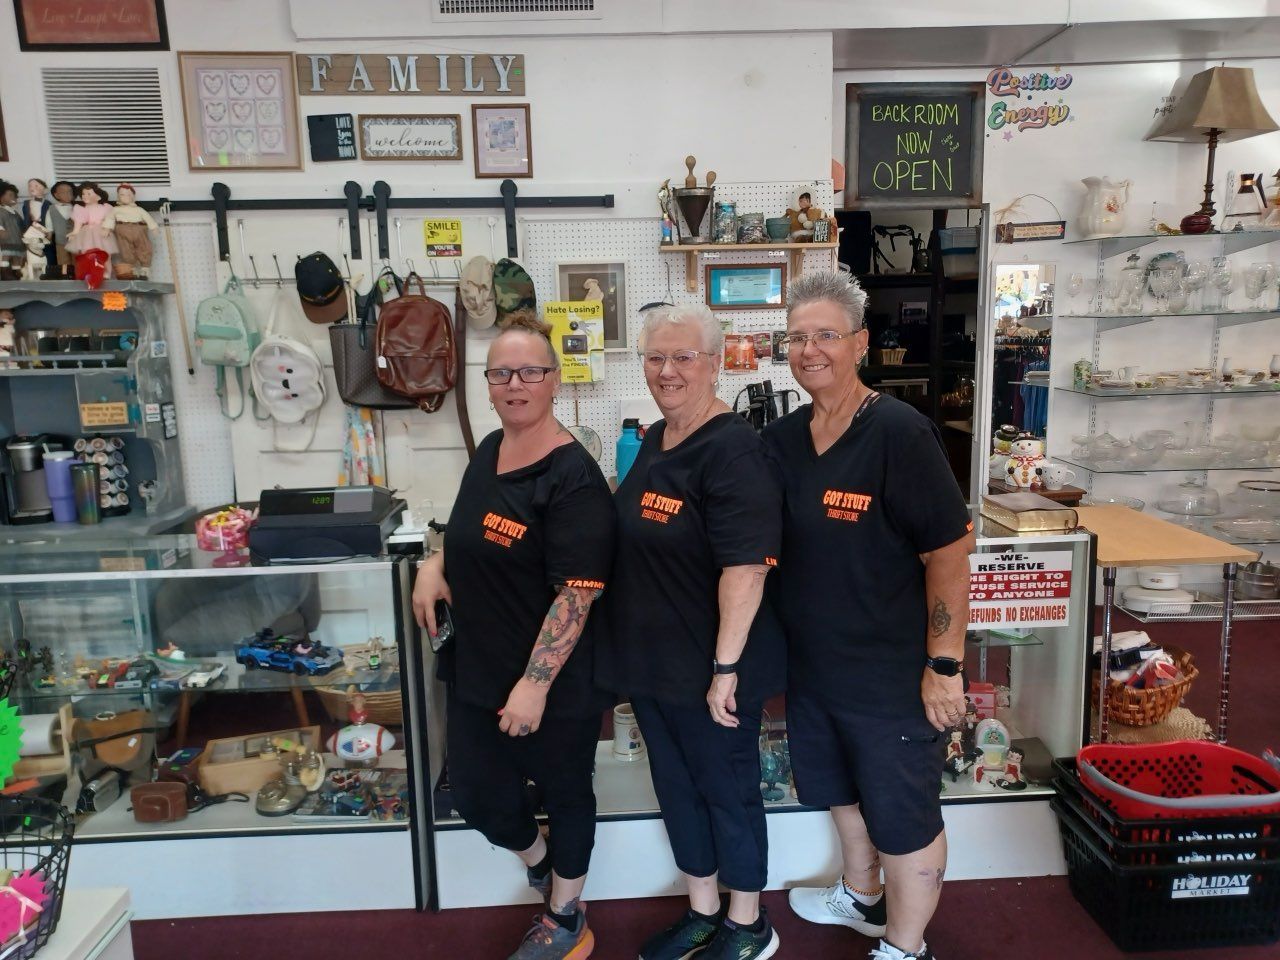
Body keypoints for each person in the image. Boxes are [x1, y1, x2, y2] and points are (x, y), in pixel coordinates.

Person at [764, 271, 974, 960]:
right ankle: (860, 894)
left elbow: (948, 552)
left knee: (901, 811)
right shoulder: (788, 436)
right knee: (840, 791)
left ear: (860, 343)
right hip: (816, 665)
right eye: (797, 337)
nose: (809, 350)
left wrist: (944, 665)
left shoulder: (898, 432)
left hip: (891, 671)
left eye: (825, 335)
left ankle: (907, 946)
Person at [412, 313, 614, 960]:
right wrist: (434, 563)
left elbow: (577, 593)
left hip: (552, 684)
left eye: (530, 371)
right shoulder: (490, 452)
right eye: (501, 373)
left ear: (555, 381)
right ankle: (540, 859)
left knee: (566, 790)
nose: (514, 384)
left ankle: (565, 914)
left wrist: (533, 686)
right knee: (473, 794)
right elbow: (467, 532)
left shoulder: (573, 477)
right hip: (476, 666)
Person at [596, 304, 784, 960]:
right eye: (655, 358)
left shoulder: (733, 448)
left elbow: (745, 569)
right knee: (676, 787)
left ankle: (747, 922)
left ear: (713, 363)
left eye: (683, 357)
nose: (667, 370)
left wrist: (725, 670)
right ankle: (703, 909)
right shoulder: (654, 440)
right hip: (655, 663)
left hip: (714, 668)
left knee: (726, 788)